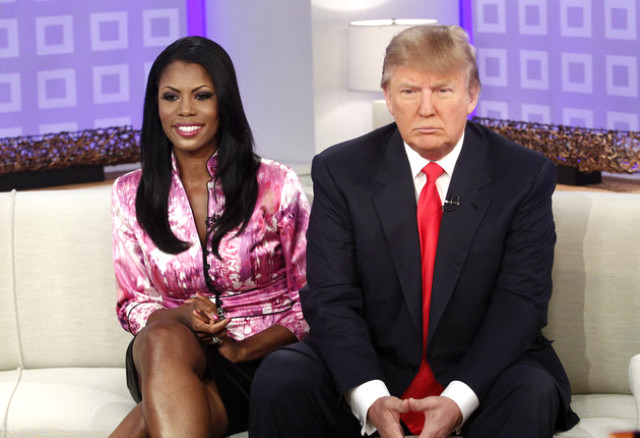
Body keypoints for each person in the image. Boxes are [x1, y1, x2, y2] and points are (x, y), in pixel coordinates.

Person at [249, 24, 579, 438]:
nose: (426, 109)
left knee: (530, 392)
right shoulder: (341, 171)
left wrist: (458, 400)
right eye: (409, 91)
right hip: (373, 364)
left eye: (442, 90)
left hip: (480, 372)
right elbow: (331, 298)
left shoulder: (522, 175)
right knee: (281, 376)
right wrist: (371, 397)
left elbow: (521, 302)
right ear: (388, 98)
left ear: (471, 95)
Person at [109, 36, 310, 438]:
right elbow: (132, 303)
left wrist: (242, 348)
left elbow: (313, 296)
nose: (185, 109)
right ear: (156, 106)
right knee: (162, 337)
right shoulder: (130, 193)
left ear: (225, 103)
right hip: (167, 349)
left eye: (201, 95)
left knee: (156, 417)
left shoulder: (276, 183)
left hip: (260, 355)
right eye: (171, 97)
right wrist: (181, 316)